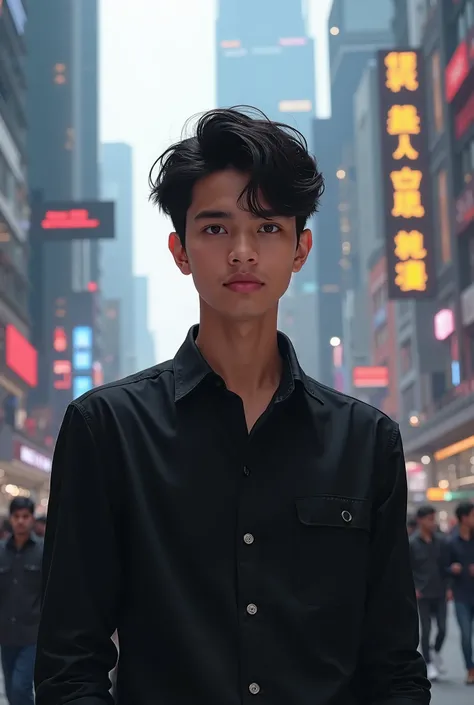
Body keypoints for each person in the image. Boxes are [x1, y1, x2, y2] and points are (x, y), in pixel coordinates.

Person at [35, 107, 429, 705]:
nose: (243, 252)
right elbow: (69, 663)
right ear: (180, 249)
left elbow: (394, 664)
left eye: (268, 228)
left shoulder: (367, 441)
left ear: (301, 249)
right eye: (216, 228)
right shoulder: (107, 429)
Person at [0, 498, 42, 705]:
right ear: (11, 518)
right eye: (16, 516)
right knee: (9, 689)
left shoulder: (42, 551)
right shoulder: (0, 551)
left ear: (32, 519)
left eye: (25, 516)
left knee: (21, 687)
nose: (20, 521)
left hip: (31, 635)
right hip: (6, 634)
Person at [409, 505, 448, 681]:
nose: (433, 523)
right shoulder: (412, 543)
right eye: (429, 519)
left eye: (434, 519)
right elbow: (407, 569)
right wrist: (414, 588)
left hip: (440, 591)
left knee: (442, 628)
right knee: (426, 629)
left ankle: (436, 651)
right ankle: (429, 662)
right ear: (420, 520)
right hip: (422, 593)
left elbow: (444, 566)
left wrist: (449, 587)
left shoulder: (440, 541)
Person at [446, 501, 474, 684]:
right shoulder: (450, 541)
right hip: (462, 595)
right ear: (464, 518)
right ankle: (470, 669)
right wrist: (452, 569)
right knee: (465, 635)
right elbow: (443, 566)